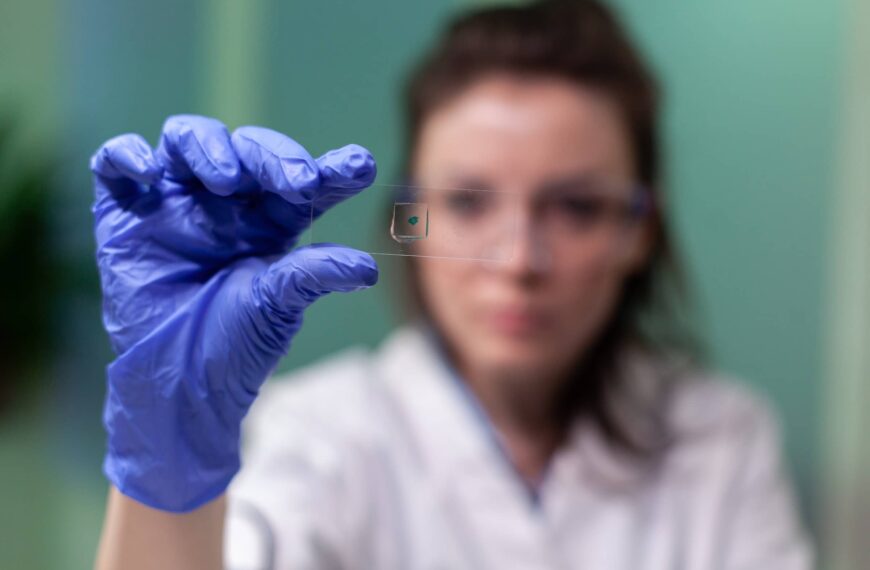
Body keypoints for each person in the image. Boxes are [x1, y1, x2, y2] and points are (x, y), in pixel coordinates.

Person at [91, 1, 813, 568]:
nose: (519, 261)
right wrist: (170, 465)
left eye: (578, 207)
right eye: (468, 203)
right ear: (411, 222)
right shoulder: (319, 435)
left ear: (640, 233)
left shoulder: (720, 439)